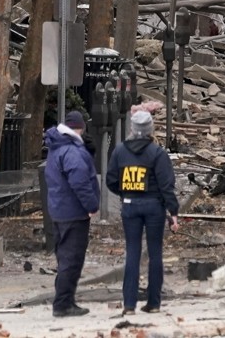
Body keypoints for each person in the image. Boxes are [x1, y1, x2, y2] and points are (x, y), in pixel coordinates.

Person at [106, 110, 180, 316]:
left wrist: (125, 193)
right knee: (155, 253)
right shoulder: (157, 153)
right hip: (154, 207)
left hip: (130, 205)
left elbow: (111, 180)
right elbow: (167, 186)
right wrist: (173, 212)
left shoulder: (120, 151)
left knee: (133, 252)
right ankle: (154, 302)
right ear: (150, 130)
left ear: (132, 129)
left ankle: (129, 304)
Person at [43, 110, 100, 318]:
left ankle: (65, 300)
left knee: (64, 258)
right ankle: (63, 304)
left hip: (58, 210)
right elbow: (80, 182)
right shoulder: (72, 151)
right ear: (81, 128)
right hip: (73, 213)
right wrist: (92, 205)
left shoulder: (56, 148)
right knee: (71, 259)